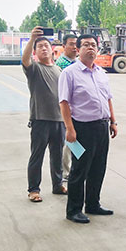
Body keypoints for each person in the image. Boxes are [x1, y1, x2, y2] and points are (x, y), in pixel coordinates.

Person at [58, 34, 118, 224]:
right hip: (81, 129)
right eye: (86, 45)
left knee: (98, 168)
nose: (90, 47)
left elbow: (108, 98)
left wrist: (113, 121)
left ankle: (93, 204)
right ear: (78, 49)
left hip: (101, 127)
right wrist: (69, 129)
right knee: (79, 170)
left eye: (93, 45)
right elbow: (64, 102)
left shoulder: (101, 73)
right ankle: (73, 210)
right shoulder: (69, 73)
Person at [22, 26, 66, 202]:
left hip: (59, 120)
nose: (43, 48)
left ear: (52, 49)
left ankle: (58, 185)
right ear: (35, 52)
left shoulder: (59, 70)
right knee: (37, 156)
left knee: (57, 156)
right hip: (40, 120)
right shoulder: (34, 69)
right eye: (39, 47)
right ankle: (34, 189)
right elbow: (25, 59)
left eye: (46, 46)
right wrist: (32, 39)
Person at [55, 33, 78, 185]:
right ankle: (66, 171)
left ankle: (74, 169)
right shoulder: (61, 65)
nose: (74, 47)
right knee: (68, 142)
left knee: (75, 142)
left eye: (76, 44)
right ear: (64, 46)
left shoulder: (76, 62)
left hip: (77, 111)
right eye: (71, 44)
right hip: (66, 110)